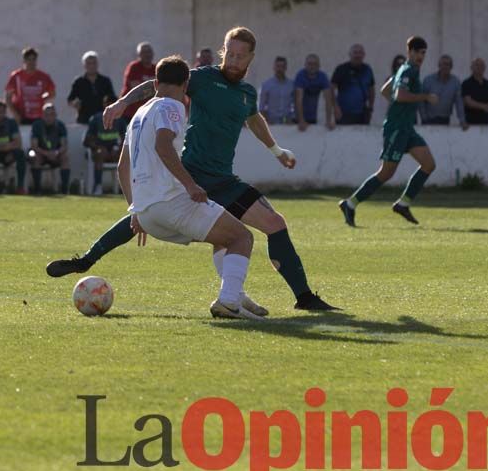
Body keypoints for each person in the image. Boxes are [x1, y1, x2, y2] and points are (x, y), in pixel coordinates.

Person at [47, 25, 338, 312]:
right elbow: (158, 83)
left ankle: (302, 298)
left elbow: (253, 119)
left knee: (274, 224)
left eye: (240, 56)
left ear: (251, 58)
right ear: (223, 52)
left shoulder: (248, 93)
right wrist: (122, 103)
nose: (234, 61)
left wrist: (276, 150)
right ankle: (86, 260)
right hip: (192, 175)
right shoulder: (201, 78)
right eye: (230, 54)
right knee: (155, 212)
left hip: (225, 181)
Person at [119, 56, 263, 319]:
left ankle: (236, 294)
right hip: (171, 202)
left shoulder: (139, 114)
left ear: (156, 82)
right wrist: (190, 184)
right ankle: (229, 302)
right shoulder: (172, 106)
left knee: (224, 235)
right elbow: (164, 146)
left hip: (147, 214)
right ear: (186, 84)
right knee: (243, 237)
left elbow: (122, 168)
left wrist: (135, 211)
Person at [339, 36, 438, 227]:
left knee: (428, 164)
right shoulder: (408, 70)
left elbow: (386, 90)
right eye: (417, 52)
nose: (421, 56)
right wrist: (424, 96)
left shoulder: (406, 69)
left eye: (424, 53)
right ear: (409, 51)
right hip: (397, 129)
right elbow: (399, 95)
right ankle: (350, 204)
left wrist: (398, 107)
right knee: (385, 173)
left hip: (406, 127)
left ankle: (403, 204)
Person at [5, 46, 56, 124]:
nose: (31, 62)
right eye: (29, 59)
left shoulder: (44, 77)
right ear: (24, 61)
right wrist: (15, 114)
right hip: (21, 115)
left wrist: (41, 98)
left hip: (39, 116)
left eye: (34, 59)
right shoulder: (16, 76)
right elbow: (8, 97)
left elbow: (52, 93)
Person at [29, 102, 70, 194]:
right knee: (35, 157)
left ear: (55, 115)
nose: (49, 117)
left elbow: (64, 145)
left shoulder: (60, 126)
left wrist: (56, 153)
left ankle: (64, 190)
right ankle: (37, 189)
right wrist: (46, 153)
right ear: (42, 115)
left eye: (51, 114)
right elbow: (34, 146)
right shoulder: (37, 125)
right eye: (46, 115)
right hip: (42, 154)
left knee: (65, 158)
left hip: (56, 154)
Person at [66, 51, 116, 125]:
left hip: (101, 120)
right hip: (83, 120)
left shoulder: (105, 81)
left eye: (94, 63)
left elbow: (113, 98)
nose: (92, 66)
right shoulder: (79, 81)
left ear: (97, 64)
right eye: (89, 63)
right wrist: (75, 104)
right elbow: (70, 100)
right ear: (84, 65)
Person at [84, 109, 127, 195]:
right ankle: (98, 186)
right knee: (100, 153)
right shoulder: (95, 119)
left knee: (126, 155)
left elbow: (126, 139)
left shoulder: (121, 120)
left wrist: (119, 149)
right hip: (100, 152)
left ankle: (125, 188)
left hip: (115, 153)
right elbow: (87, 141)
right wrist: (97, 147)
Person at [331, 44, 376, 125]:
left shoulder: (367, 70)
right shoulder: (341, 69)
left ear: (363, 55)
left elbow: (371, 89)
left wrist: (370, 107)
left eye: (360, 53)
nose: (357, 55)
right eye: (355, 52)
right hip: (343, 113)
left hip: (362, 113)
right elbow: (331, 89)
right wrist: (335, 107)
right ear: (350, 54)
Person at [420, 54, 466, 128]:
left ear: (451, 67)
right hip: (428, 119)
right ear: (439, 65)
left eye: (448, 64)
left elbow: (459, 103)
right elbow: (421, 100)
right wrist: (424, 118)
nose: (445, 67)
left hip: (445, 119)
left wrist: (462, 120)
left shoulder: (455, 82)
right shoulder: (428, 80)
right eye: (443, 64)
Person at [294, 53, 335, 131]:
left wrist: (328, 120)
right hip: (300, 115)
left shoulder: (322, 76)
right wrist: (301, 120)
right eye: (309, 64)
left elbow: (328, 99)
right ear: (305, 65)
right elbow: (298, 99)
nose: (312, 66)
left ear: (319, 65)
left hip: (315, 116)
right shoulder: (300, 76)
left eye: (315, 64)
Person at [121, 41, 157, 120]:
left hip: (148, 113)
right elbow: (136, 87)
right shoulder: (134, 67)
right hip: (131, 112)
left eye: (149, 51)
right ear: (139, 55)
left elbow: (160, 88)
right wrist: (152, 88)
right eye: (144, 52)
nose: (147, 54)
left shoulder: (156, 69)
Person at [461, 58, 488, 126]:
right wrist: (485, 107)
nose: (479, 67)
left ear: (484, 68)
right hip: (470, 124)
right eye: (477, 65)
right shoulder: (466, 83)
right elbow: (468, 102)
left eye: (482, 65)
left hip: (486, 123)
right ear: (471, 68)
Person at [258, 56, 295, 125]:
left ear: (285, 68)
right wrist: (265, 122)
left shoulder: (291, 85)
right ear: (274, 67)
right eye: (278, 66)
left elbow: (294, 104)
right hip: (271, 123)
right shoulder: (266, 85)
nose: (279, 69)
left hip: (288, 123)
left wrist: (293, 119)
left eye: (282, 66)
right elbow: (262, 106)